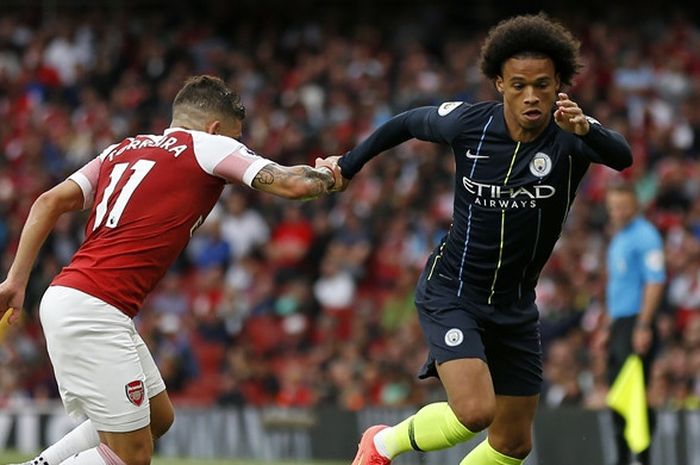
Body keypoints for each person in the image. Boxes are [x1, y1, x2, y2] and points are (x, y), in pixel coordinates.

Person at [317, 13, 633, 465]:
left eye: (542, 85)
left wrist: (587, 128)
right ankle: (381, 444)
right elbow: (405, 123)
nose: (531, 96)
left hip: (515, 306)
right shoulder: (467, 124)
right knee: (475, 411)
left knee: (513, 443)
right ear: (498, 84)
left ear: (559, 84)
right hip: (454, 291)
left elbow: (623, 157)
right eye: (519, 84)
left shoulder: (572, 134)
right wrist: (347, 166)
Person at [0, 74, 339, 465]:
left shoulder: (121, 149)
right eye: (236, 136)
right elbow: (293, 185)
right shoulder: (208, 146)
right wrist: (329, 175)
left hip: (76, 296)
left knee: (158, 416)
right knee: (132, 456)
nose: (238, 144)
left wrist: (16, 279)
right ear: (215, 128)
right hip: (93, 309)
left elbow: (47, 201)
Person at [603, 182, 665, 465]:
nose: (617, 212)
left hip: (635, 323)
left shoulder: (645, 236)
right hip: (620, 324)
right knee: (619, 394)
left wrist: (643, 325)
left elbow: (654, 282)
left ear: (634, 205)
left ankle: (642, 457)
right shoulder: (620, 237)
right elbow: (619, 285)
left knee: (634, 395)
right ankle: (624, 458)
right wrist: (608, 325)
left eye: (622, 206)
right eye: (613, 207)